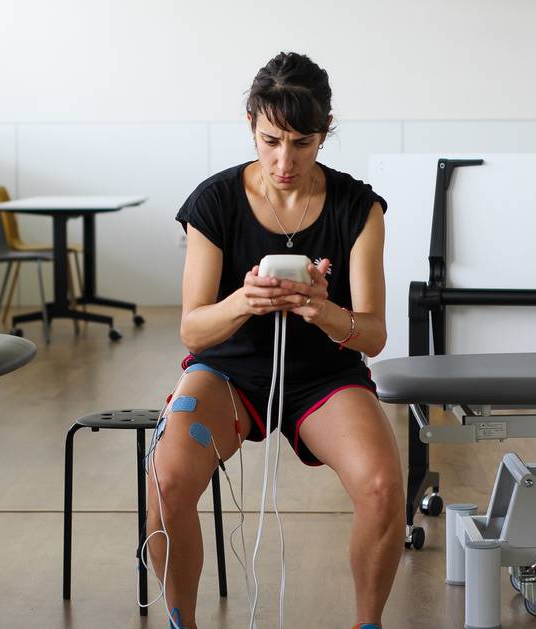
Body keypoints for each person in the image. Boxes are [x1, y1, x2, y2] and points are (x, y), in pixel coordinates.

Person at [147, 51, 404, 629]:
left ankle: (369, 623)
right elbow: (192, 327)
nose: (283, 161)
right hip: (229, 374)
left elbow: (375, 335)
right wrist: (244, 302)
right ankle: (179, 622)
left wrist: (323, 310)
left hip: (324, 377)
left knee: (384, 484)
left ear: (325, 134)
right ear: (250, 127)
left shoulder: (358, 207)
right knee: (166, 481)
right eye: (270, 141)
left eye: (302, 143)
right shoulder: (214, 202)